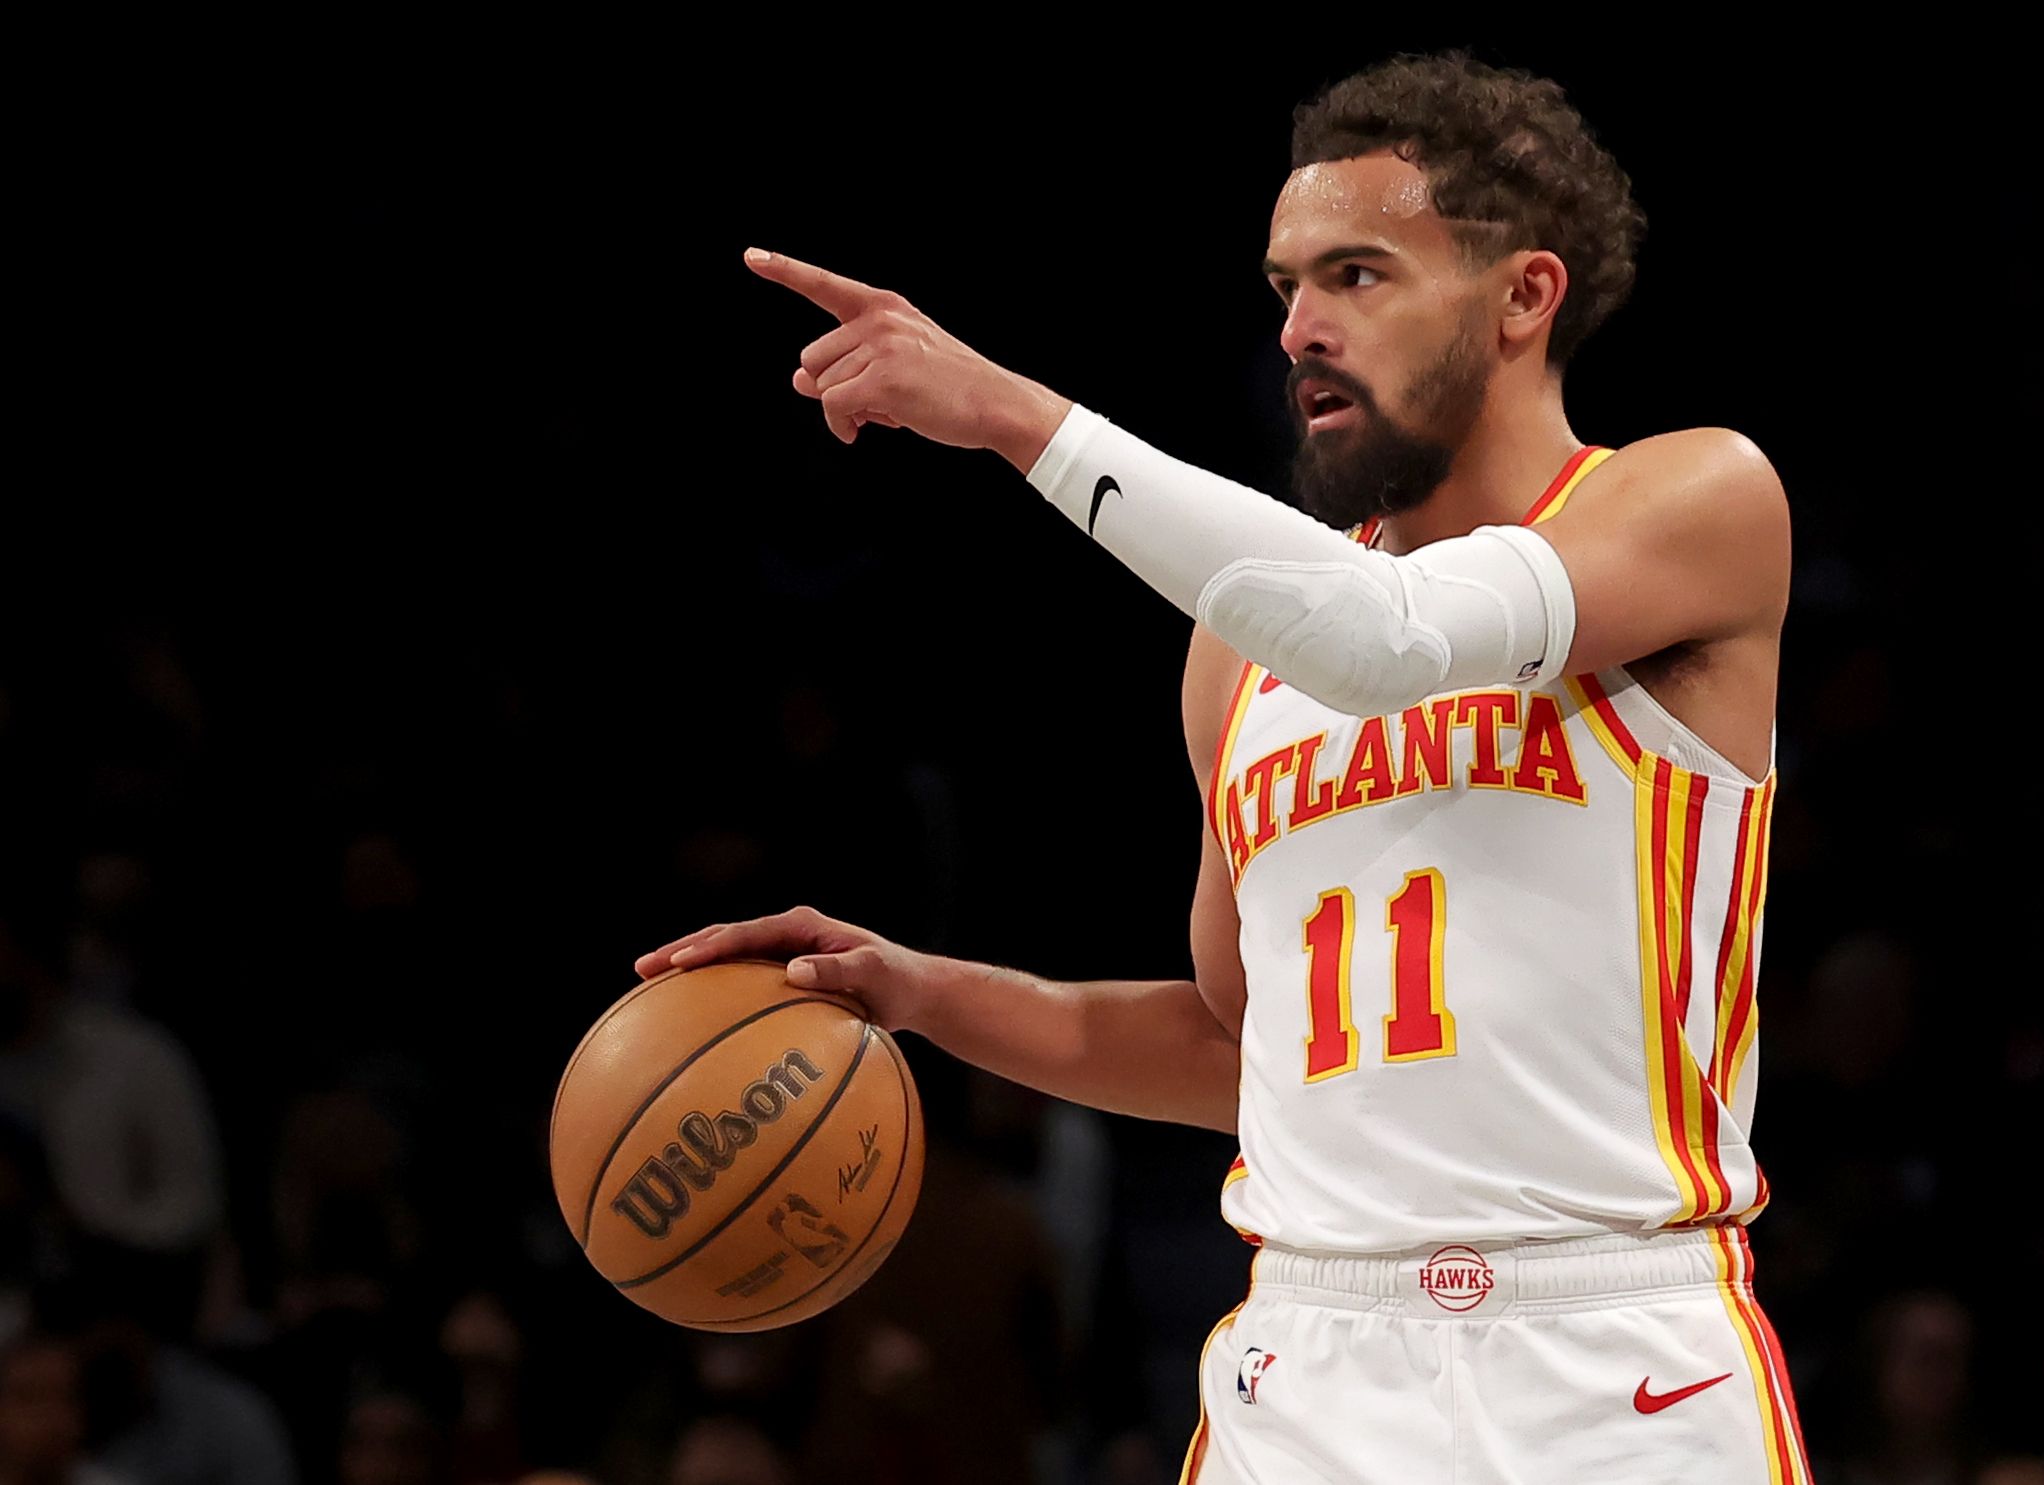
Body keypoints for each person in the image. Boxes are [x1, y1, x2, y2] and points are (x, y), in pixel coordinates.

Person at [639, 50, 1808, 1484]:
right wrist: (917, 991)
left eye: (1358, 275)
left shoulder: (1697, 500)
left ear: (1524, 297)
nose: (1303, 327)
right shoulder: (1236, 655)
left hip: (1613, 1356)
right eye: (1285, 288)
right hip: (1309, 1359)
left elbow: (1388, 638)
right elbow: (1237, 1052)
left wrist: (1012, 414)